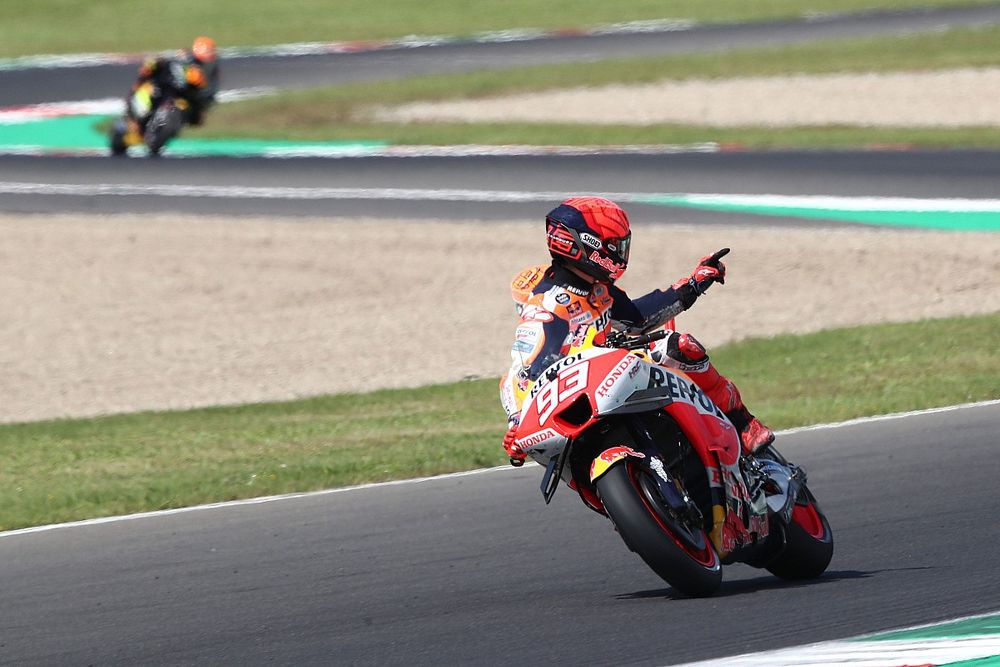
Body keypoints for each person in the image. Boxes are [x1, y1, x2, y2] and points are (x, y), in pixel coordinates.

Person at [500, 196, 774, 465]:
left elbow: (638, 319)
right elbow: (520, 372)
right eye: (614, 245)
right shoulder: (548, 306)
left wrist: (693, 284)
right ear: (587, 246)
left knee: (682, 346)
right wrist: (516, 423)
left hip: (611, 371)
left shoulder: (597, 289)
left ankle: (743, 424)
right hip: (570, 399)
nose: (620, 252)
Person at [131, 36, 220, 127]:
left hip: (187, 93)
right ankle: (137, 116)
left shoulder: (211, 72)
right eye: (207, 51)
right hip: (170, 85)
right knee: (152, 90)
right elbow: (167, 63)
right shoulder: (185, 57)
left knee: (195, 117)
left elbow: (209, 93)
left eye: (209, 51)